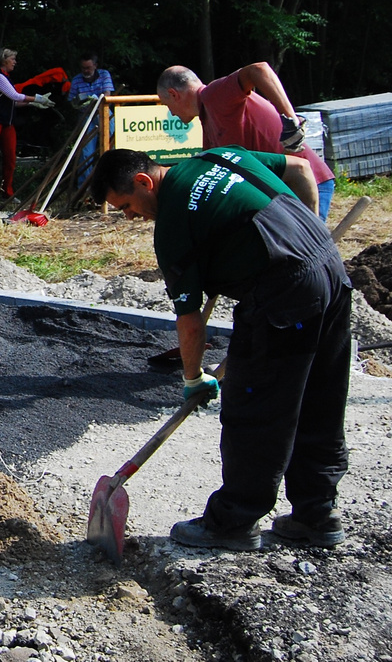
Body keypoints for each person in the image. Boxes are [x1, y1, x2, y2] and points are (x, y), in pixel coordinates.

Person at [89, 145, 351, 551]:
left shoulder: (174, 223)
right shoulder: (219, 157)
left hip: (283, 296)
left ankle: (233, 522)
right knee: (320, 399)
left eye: (126, 206)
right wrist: (312, 229)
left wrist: (193, 378)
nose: (129, 217)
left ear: (144, 182)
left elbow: (190, 322)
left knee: (256, 408)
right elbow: (300, 168)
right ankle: (317, 515)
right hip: (330, 271)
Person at [157, 63, 337, 222]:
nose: (172, 113)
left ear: (174, 94)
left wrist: (291, 120)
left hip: (306, 185)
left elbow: (259, 70)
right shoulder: (208, 120)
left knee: (306, 251)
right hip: (282, 193)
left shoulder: (214, 95)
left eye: (167, 105)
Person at [0, 49, 51, 207]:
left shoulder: (6, 77)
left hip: (6, 122)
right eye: (12, 59)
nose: (15, 62)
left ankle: (8, 192)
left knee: (11, 158)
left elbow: (14, 102)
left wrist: (33, 103)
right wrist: (37, 98)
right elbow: (15, 96)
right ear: (4, 60)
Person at [68, 52, 115, 188]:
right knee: (85, 152)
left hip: (103, 112)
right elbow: (71, 100)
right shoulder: (77, 80)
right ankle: (85, 187)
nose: (86, 71)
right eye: (83, 68)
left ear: (95, 66)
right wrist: (78, 103)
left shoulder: (104, 75)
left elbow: (107, 95)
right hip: (86, 114)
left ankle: (113, 183)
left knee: (111, 146)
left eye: (88, 68)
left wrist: (96, 100)